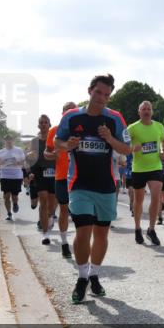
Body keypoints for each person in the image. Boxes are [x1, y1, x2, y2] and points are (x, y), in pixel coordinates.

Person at [54, 73, 131, 304]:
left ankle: (94, 274)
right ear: (89, 91)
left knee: (101, 233)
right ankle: (81, 277)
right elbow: (58, 142)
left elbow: (126, 150)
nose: (101, 98)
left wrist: (109, 138)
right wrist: (67, 145)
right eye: (98, 92)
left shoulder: (115, 119)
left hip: (106, 184)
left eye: (107, 95)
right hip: (79, 183)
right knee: (83, 232)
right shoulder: (72, 116)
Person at [127, 100, 164, 245]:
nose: (146, 111)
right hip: (139, 168)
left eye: (148, 109)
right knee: (139, 201)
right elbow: (124, 143)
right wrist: (132, 147)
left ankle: (151, 229)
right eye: (143, 109)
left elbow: (163, 141)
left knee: (156, 197)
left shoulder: (159, 126)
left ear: (152, 112)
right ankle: (137, 228)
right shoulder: (132, 128)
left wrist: (162, 151)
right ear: (139, 112)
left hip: (155, 166)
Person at [46, 101, 77, 258]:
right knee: (64, 210)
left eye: (73, 110)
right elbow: (47, 153)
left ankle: (80, 243)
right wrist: (52, 155)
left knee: (80, 213)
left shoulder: (82, 129)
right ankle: (65, 243)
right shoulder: (54, 131)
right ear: (62, 114)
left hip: (80, 176)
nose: (70, 113)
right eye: (67, 111)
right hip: (62, 176)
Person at [28, 115, 57, 244]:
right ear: (38, 125)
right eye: (41, 122)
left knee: (51, 206)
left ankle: (50, 217)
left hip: (55, 172)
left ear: (50, 125)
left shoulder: (55, 138)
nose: (44, 124)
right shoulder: (35, 141)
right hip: (39, 172)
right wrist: (30, 169)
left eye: (46, 122)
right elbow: (32, 157)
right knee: (43, 201)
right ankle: (45, 234)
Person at [0, 136, 26, 221]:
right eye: (7, 140)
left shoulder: (19, 150)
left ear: (13, 141)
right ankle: (9, 213)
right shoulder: (0, 152)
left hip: (16, 176)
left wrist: (18, 162)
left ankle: (15, 203)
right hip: (5, 176)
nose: (8, 142)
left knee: (14, 195)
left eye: (10, 140)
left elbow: (24, 161)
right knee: (6, 196)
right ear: (4, 141)